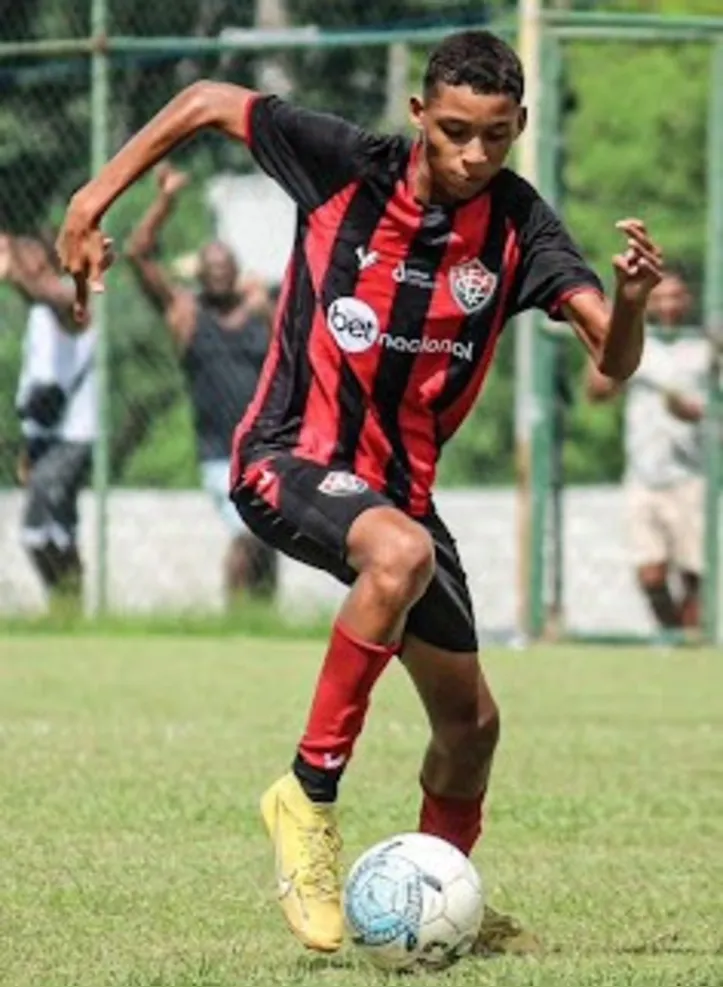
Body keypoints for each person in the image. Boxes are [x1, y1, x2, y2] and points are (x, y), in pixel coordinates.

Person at [57, 29, 664, 956]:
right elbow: (208, 99)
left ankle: (437, 899)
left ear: (518, 127)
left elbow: (611, 359)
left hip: (400, 496)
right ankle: (305, 799)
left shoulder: (516, 226)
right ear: (419, 115)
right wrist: (93, 197)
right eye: (455, 130)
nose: (472, 154)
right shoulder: (344, 165)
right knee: (399, 552)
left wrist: (626, 302)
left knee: (470, 728)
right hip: (285, 456)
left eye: (495, 136)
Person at [125, 163, 277, 605]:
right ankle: (233, 615)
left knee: (269, 541)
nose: (217, 272)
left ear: (236, 270)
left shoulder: (259, 312)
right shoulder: (186, 314)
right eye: (208, 266)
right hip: (219, 454)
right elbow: (138, 254)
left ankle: (262, 620)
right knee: (246, 534)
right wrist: (166, 201)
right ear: (199, 272)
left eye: (223, 265)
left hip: (268, 449)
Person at [586, 266, 707, 636]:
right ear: (650, 303)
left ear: (688, 300)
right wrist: (609, 341)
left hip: (694, 472)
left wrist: (692, 412)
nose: (669, 305)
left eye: (676, 296)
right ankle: (671, 635)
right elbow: (598, 392)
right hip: (644, 472)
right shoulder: (640, 343)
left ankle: (691, 640)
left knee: (695, 571)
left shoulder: (703, 346)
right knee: (650, 571)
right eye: (661, 297)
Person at [0, 233, 96, 613]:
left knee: (36, 530)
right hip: (45, 436)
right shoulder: (39, 312)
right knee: (60, 530)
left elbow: (61, 305)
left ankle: (65, 603)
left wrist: (15, 276)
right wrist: (30, 445)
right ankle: (71, 609)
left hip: (71, 436)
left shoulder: (71, 299)